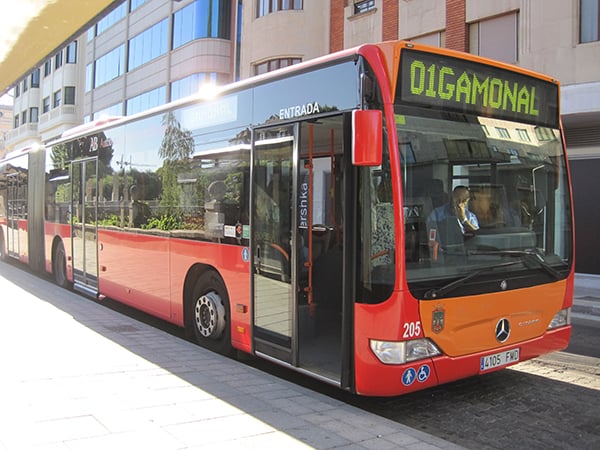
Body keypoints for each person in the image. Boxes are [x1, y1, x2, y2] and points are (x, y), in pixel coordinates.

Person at [426, 185, 479, 260]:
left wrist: (464, 219)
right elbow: (430, 234)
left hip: (465, 255)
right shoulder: (437, 214)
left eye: (460, 201)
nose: (454, 203)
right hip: (443, 254)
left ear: (466, 202)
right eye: (454, 198)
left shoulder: (470, 217)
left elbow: (477, 236)